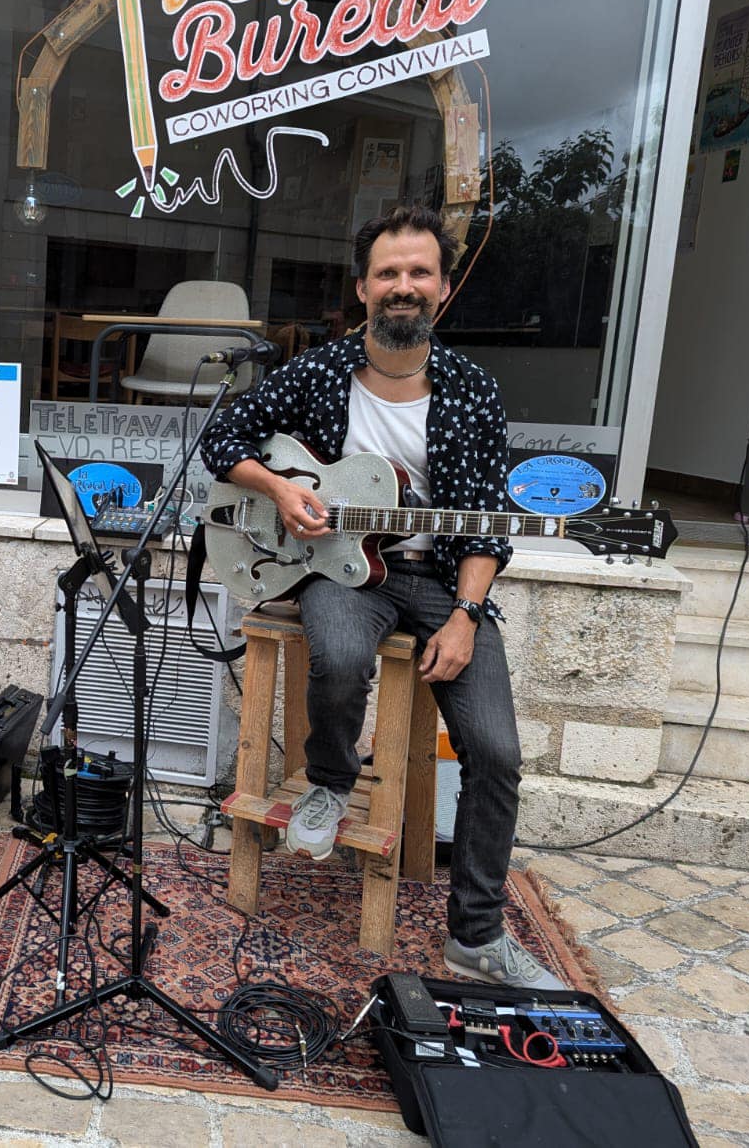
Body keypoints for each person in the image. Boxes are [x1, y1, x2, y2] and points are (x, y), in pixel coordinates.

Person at [200, 204, 562, 991]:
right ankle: (331, 781)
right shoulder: (319, 371)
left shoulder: (472, 391)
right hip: (337, 566)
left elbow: (488, 529)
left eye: (419, 273)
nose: (404, 287)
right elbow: (221, 442)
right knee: (335, 653)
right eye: (389, 274)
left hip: (442, 581)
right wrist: (278, 491)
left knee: (497, 753)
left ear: (443, 287)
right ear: (363, 288)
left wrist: (466, 616)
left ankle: (475, 937)